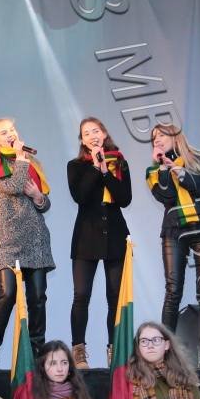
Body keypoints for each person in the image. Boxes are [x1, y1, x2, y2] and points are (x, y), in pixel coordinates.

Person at [146, 123, 200, 363]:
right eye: (153, 138)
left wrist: (182, 173)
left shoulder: (199, 161)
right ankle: (165, 352)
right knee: (173, 291)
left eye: (161, 135)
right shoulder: (153, 171)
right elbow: (166, 196)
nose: (157, 139)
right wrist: (164, 169)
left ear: (175, 136)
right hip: (175, 228)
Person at [0, 117, 53, 369]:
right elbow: (13, 186)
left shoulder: (30, 163)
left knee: (37, 298)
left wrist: (38, 197)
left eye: (11, 129)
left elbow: (44, 204)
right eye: (3, 132)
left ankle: (36, 356)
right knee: (7, 294)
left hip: (36, 240)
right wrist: (21, 160)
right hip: (7, 242)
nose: (10, 134)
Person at [67, 117, 132, 368]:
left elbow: (124, 199)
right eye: (86, 133)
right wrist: (95, 167)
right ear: (83, 141)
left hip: (115, 235)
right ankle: (79, 351)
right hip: (86, 237)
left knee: (114, 297)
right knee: (81, 295)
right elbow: (80, 196)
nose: (92, 135)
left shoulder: (119, 162)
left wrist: (106, 171)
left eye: (96, 130)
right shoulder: (76, 166)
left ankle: (114, 350)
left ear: (104, 134)